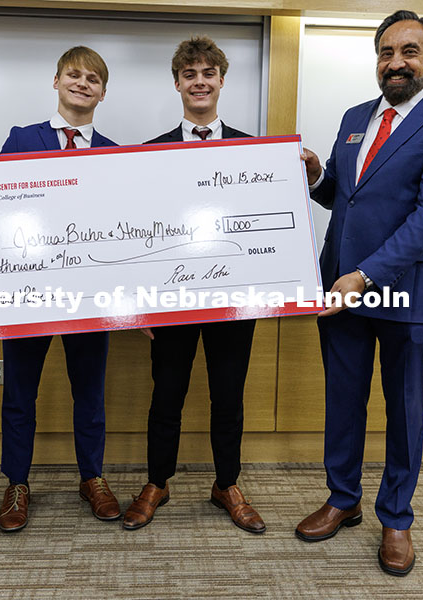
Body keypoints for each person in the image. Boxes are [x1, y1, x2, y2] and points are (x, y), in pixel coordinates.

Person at [294, 11, 423, 576]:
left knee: (404, 410)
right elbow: (344, 195)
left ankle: (397, 517)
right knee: (343, 401)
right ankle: (342, 498)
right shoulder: (356, 117)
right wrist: (313, 177)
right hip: (341, 289)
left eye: (409, 51)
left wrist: (366, 276)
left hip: (401, 291)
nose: (396, 62)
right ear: (376, 58)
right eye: (386, 52)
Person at [122, 36, 265, 534]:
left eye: (208, 73)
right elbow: (138, 232)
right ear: (178, 83)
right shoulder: (150, 154)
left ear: (222, 81)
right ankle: (157, 482)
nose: (199, 82)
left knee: (229, 396)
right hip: (172, 300)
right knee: (167, 395)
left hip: (233, 300)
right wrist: (139, 304)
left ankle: (226, 483)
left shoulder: (254, 152)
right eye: (190, 74)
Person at [0, 46, 120, 532]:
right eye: (74, 74)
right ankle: (17, 483)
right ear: (56, 81)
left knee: (90, 393)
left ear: (102, 92)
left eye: (93, 78)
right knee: (19, 394)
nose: (82, 83)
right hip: (28, 294)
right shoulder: (21, 138)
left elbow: (123, 229)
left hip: (91, 297)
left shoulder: (114, 153)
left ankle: (92, 477)